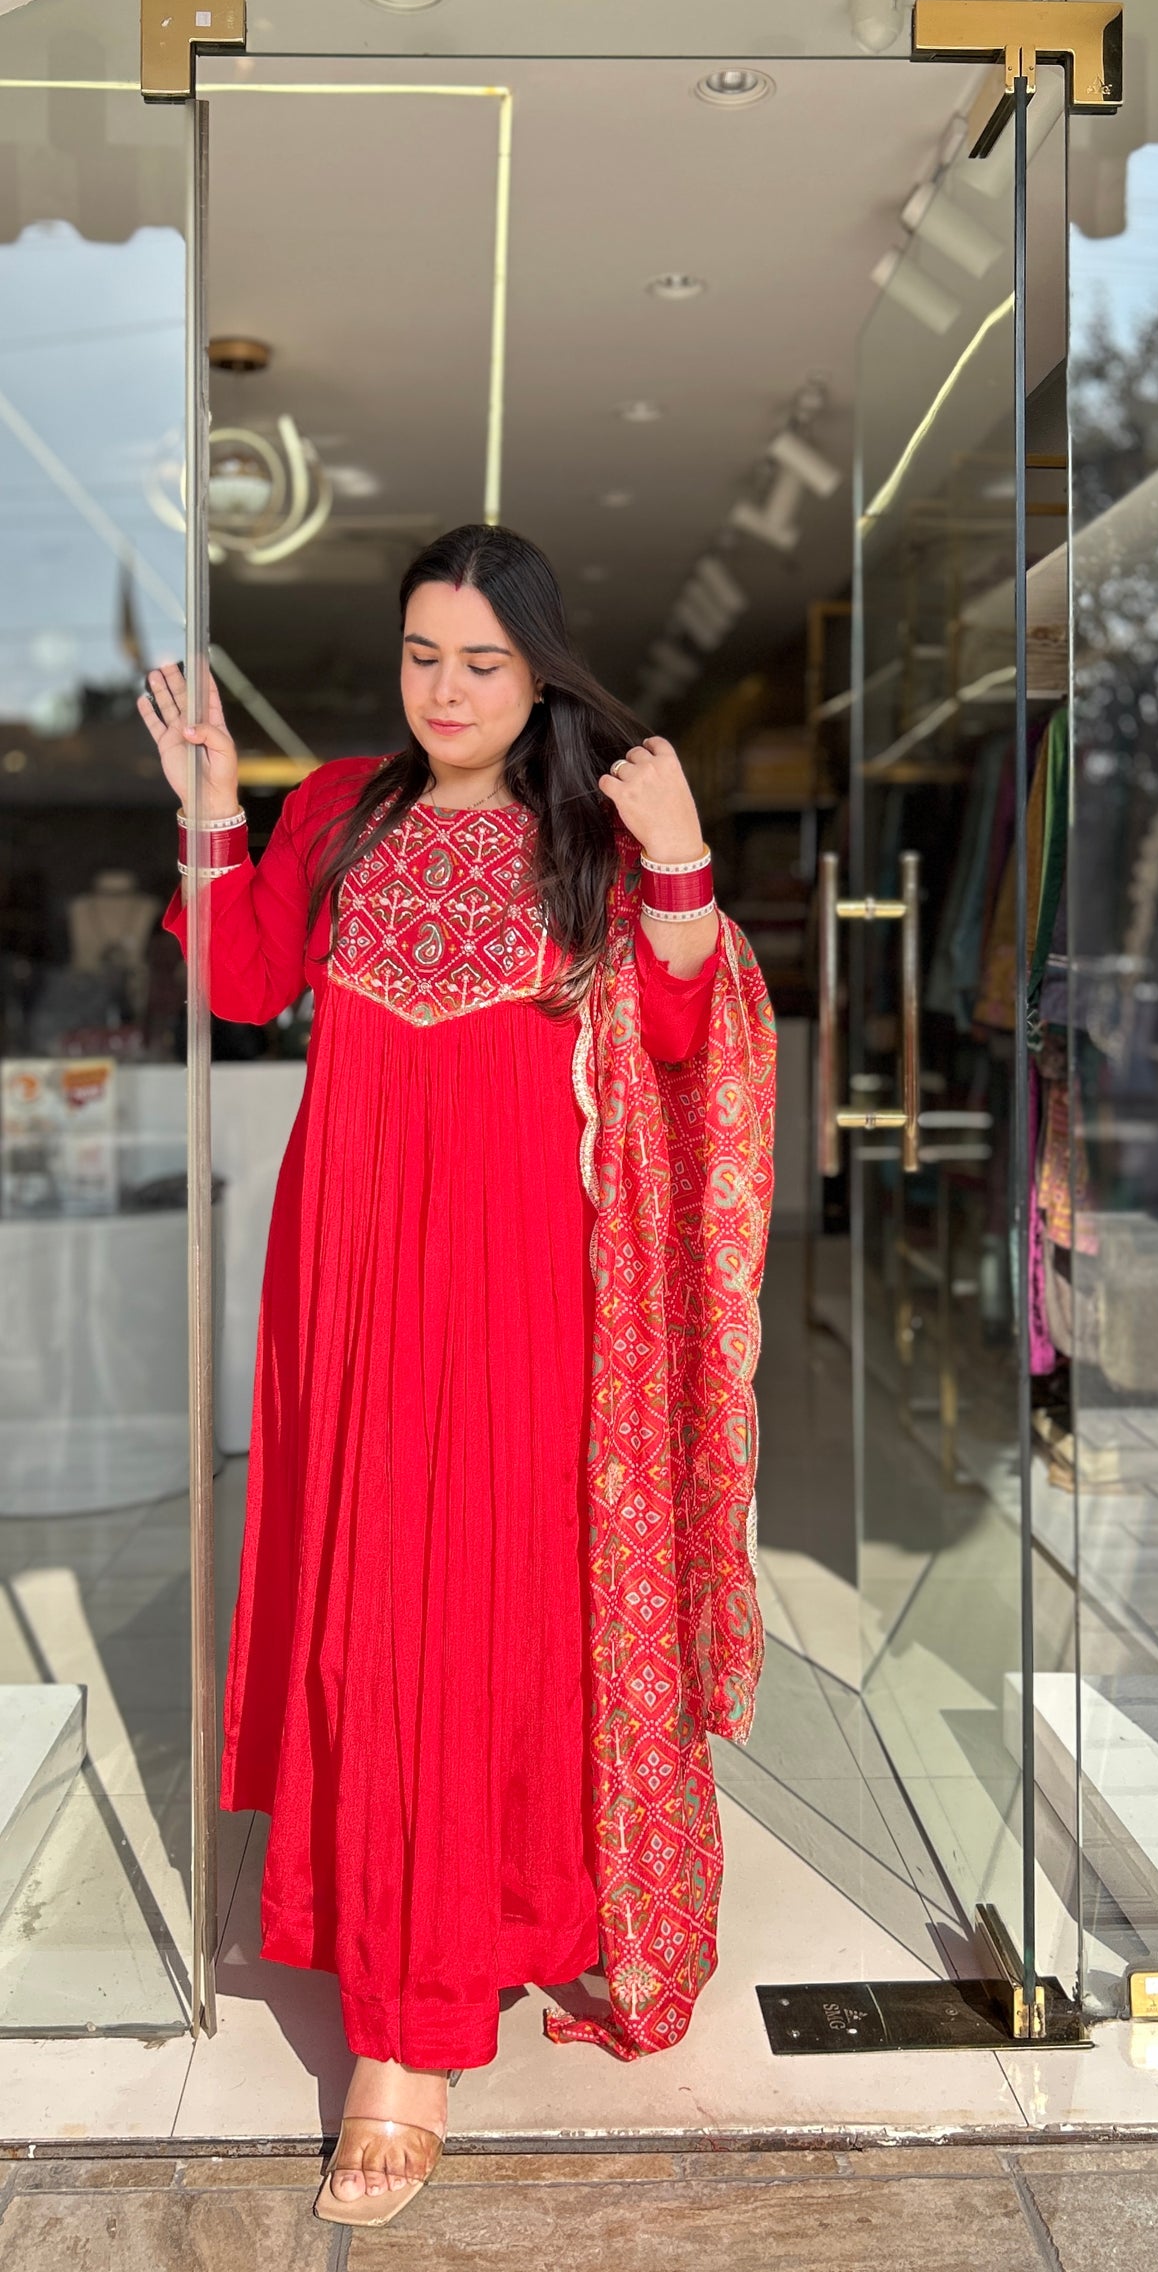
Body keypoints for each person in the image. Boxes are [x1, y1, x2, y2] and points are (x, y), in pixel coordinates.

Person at [140, 524, 774, 2228]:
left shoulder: (588, 829)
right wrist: (215, 803)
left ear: (540, 669)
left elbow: (679, 1037)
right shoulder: (341, 806)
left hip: (521, 1294)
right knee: (364, 1619)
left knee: (473, 1623)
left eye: (481, 661)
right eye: (422, 654)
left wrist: (685, 857)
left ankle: (411, 2048)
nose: (445, 688)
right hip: (344, 1283)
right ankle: (412, 1953)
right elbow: (251, 975)